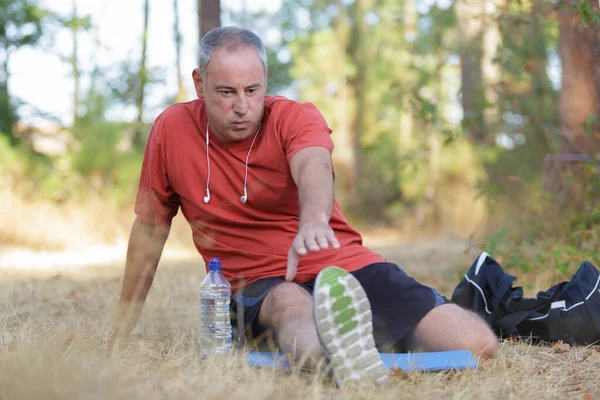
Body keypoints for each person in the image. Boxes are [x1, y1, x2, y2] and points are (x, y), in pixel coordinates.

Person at [109, 26, 499, 384]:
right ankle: (345, 354)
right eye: (226, 92)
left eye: (252, 90)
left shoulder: (294, 116)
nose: (242, 106)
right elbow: (150, 229)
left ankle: (357, 344)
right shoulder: (171, 129)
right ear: (199, 83)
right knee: (294, 311)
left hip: (344, 267)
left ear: (265, 83)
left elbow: (313, 161)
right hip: (260, 285)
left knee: (477, 345)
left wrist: (313, 220)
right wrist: (122, 329)